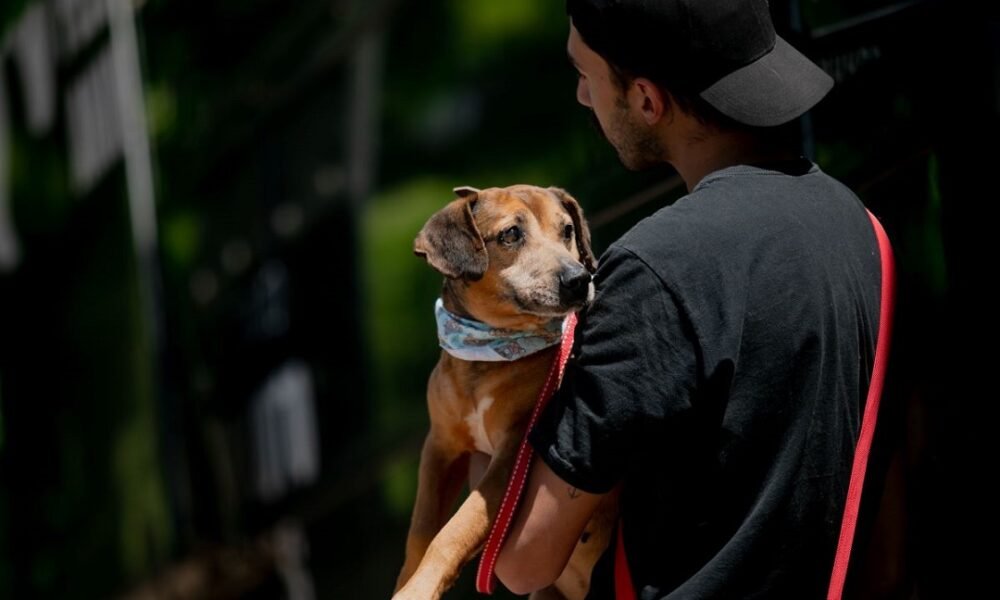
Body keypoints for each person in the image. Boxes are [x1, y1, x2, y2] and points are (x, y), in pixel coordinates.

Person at [494, 0, 883, 598]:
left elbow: (523, 563)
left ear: (648, 101)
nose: (581, 97)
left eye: (585, 76)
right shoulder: (864, 230)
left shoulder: (654, 274)